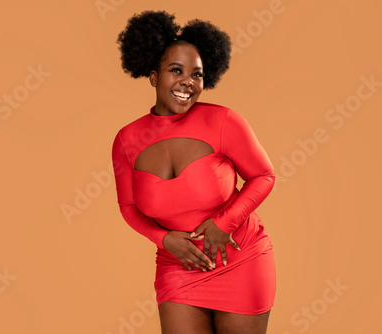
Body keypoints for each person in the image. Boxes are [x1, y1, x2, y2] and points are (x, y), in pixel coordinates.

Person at [112, 10, 276, 334]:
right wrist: (163, 239)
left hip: (240, 259)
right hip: (177, 265)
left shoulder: (224, 121)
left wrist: (222, 223)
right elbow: (128, 208)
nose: (188, 81)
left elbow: (264, 176)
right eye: (177, 71)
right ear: (153, 76)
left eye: (197, 75)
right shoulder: (127, 140)